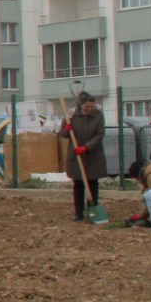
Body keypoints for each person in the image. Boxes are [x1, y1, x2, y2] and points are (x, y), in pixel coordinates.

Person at [62, 92, 106, 222]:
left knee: (93, 183)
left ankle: (92, 210)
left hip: (93, 154)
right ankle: (78, 212)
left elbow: (100, 134)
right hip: (76, 155)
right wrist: (66, 128)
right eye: (87, 107)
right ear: (81, 105)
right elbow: (63, 134)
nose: (89, 109)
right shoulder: (71, 115)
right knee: (78, 184)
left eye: (91, 106)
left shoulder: (98, 115)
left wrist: (86, 147)